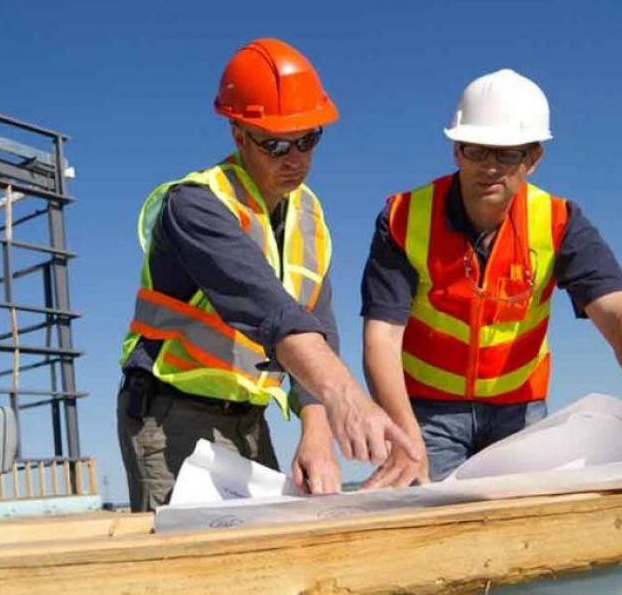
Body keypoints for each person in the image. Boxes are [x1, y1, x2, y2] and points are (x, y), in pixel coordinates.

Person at [117, 37, 415, 512]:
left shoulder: (309, 217)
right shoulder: (196, 205)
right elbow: (272, 313)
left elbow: (316, 325)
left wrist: (316, 432)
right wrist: (347, 397)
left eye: (307, 139)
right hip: (170, 413)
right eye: (275, 143)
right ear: (238, 134)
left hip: (249, 419)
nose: (293, 158)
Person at [360, 68, 622, 489]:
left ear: (533, 159)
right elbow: (382, 338)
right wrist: (404, 435)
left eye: (507, 154)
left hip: (519, 412)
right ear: (456, 151)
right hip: (426, 411)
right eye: (476, 150)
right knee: (426, 521)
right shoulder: (403, 218)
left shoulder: (559, 222)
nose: (490, 167)